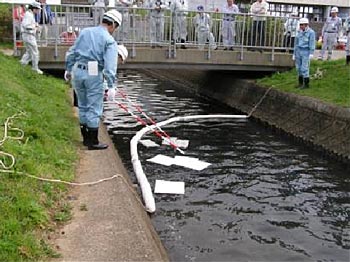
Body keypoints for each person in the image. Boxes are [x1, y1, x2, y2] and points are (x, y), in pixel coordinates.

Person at [64, 9, 122, 150]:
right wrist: (111, 85)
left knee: (83, 106)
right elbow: (109, 66)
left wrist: (68, 68)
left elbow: (72, 52)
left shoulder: (85, 32)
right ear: (113, 24)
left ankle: (85, 139)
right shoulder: (109, 41)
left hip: (78, 71)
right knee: (94, 108)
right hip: (93, 73)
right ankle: (93, 141)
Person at [20, 1, 43, 74]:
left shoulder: (29, 14)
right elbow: (26, 26)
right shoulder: (29, 15)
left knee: (29, 52)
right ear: (34, 8)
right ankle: (35, 68)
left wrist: (35, 26)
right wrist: (35, 27)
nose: (38, 11)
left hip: (28, 36)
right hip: (28, 36)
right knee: (35, 52)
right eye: (38, 9)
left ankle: (22, 64)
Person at [293, 18, 315, 89]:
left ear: (306, 25)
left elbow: (312, 43)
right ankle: (300, 83)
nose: (301, 26)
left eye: (302, 25)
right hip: (298, 51)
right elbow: (296, 44)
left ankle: (306, 84)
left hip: (306, 51)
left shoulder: (311, 32)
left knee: (304, 68)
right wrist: (294, 53)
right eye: (300, 25)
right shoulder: (299, 32)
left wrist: (311, 53)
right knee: (298, 68)